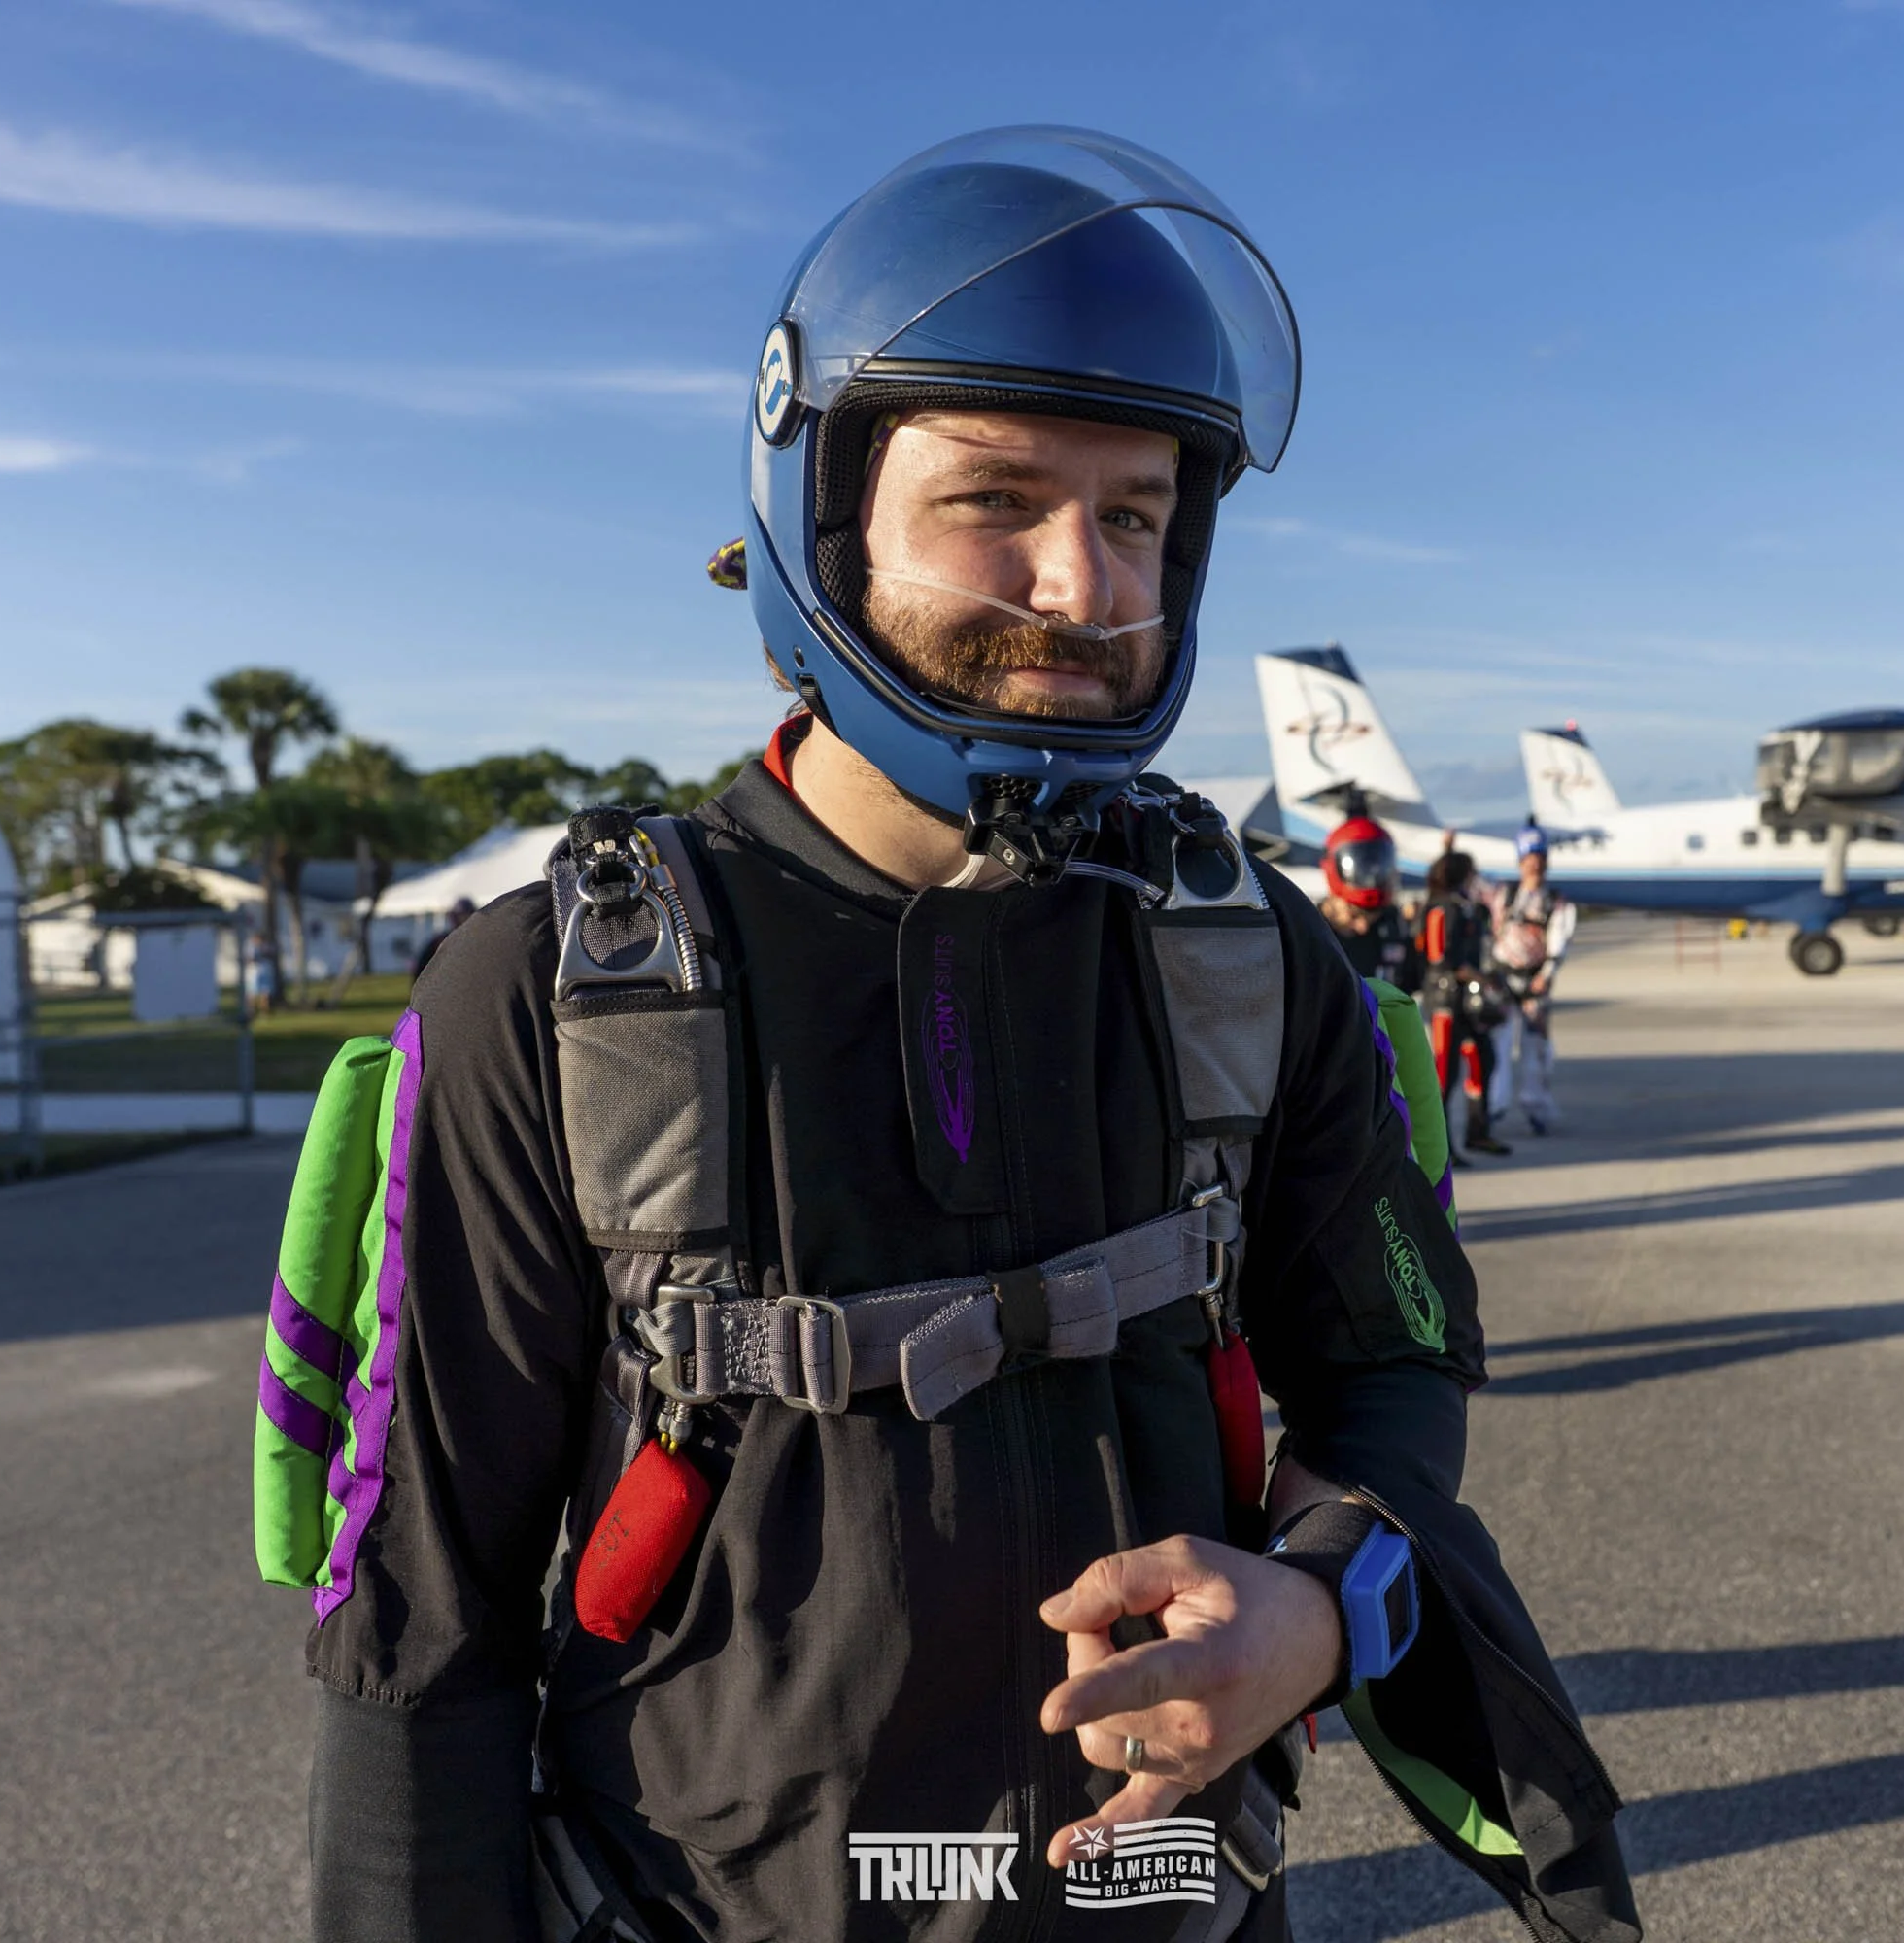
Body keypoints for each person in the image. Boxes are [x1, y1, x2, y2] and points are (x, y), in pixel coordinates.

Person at [259, 129, 1634, 1943]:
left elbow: (1384, 1374)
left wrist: (1317, 1599)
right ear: (826, 516)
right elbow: (418, 1651)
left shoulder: (1249, 964)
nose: (1081, 584)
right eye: (995, 501)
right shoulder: (552, 1003)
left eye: (1135, 513)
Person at [1419, 852, 1508, 1160]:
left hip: (1469, 1005)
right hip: (1446, 1003)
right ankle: (1439, 1147)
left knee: (1484, 1060)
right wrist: (1481, 978)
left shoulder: (1467, 907)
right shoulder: (1442, 908)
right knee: (1444, 1075)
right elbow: (1441, 958)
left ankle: (1477, 1131)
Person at [1488, 824, 1577, 1136]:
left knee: (1535, 1049)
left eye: (1539, 858)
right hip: (1502, 979)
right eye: (1528, 859)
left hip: (1534, 983)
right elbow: (1490, 929)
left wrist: (1546, 975)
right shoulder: (1505, 896)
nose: (1534, 865)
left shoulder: (1556, 902)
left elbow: (1559, 942)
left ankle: (1536, 1105)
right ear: (1520, 862)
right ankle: (1493, 1106)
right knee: (1497, 1046)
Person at [1313, 810, 1423, 993]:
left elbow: (1410, 985)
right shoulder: (1309, 933)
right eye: (1353, 915)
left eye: (1372, 917)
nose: (1363, 926)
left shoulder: (1394, 928)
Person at [409, 897, 475, 981]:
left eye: (467, 915)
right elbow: (421, 966)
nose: (465, 919)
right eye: (462, 915)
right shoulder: (441, 940)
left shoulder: (476, 939)